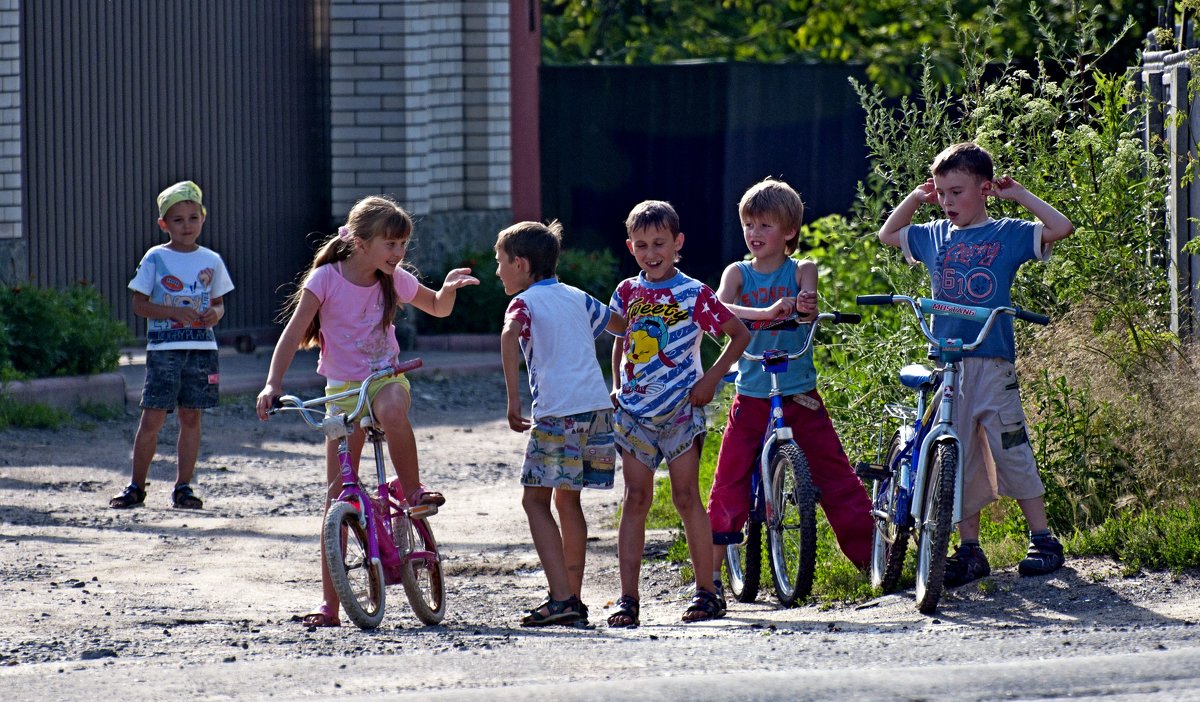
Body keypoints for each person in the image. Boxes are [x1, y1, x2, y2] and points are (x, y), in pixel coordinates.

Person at [254, 195, 478, 627]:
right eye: (391, 245)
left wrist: (447, 291)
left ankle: (412, 494)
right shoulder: (325, 280)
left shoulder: (394, 279)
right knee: (335, 498)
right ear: (358, 243)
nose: (399, 254)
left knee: (393, 406)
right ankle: (330, 606)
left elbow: (437, 307)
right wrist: (272, 384)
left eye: (403, 245)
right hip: (342, 389)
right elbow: (292, 334)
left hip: (383, 378)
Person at [877, 141, 1074, 586]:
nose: (947, 202)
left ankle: (1043, 539)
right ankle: (969, 550)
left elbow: (1061, 227)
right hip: (949, 364)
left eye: (957, 192)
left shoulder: (1005, 232)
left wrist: (1020, 194)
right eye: (942, 192)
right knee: (956, 454)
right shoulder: (932, 235)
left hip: (992, 362)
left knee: (1012, 449)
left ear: (984, 189)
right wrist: (914, 199)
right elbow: (888, 236)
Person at [706, 178, 874, 584]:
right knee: (729, 478)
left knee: (835, 475)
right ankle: (709, 579)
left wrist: (805, 305)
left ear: (790, 231)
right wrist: (766, 313)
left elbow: (808, 304)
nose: (754, 233)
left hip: (799, 392)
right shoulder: (739, 273)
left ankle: (874, 561)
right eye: (749, 224)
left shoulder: (802, 269)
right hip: (752, 391)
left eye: (765, 225)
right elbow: (716, 305)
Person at [607, 200, 750, 627]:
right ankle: (627, 599)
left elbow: (737, 334)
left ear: (677, 243)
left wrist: (710, 381)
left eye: (660, 243)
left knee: (687, 498)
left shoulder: (694, 293)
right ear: (631, 247)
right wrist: (616, 382)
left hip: (681, 412)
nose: (652, 253)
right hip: (635, 414)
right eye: (642, 245)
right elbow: (621, 337)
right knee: (636, 499)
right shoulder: (627, 292)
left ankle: (708, 591)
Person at [495, 220, 627, 627]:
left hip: (557, 413)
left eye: (500, 263)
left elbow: (508, 335)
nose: (497, 271)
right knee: (568, 500)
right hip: (597, 409)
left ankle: (559, 598)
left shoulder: (524, 303)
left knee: (534, 501)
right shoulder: (578, 297)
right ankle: (573, 597)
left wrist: (514, 398)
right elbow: (621, 326)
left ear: (520, 264)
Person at [110, 181, 234, 510]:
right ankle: (136, 486)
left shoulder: (212, 260)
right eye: (178, 219)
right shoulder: (155, 257)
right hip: (164, 351)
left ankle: (184, 488)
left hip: (202, 350)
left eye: (193, 217)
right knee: (152, 419)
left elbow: (219, 303)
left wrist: (214, 315)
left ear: (203, 218)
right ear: (163, 224)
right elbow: (140, 304)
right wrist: (176, 312)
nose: (186, 225)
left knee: (191, 418)